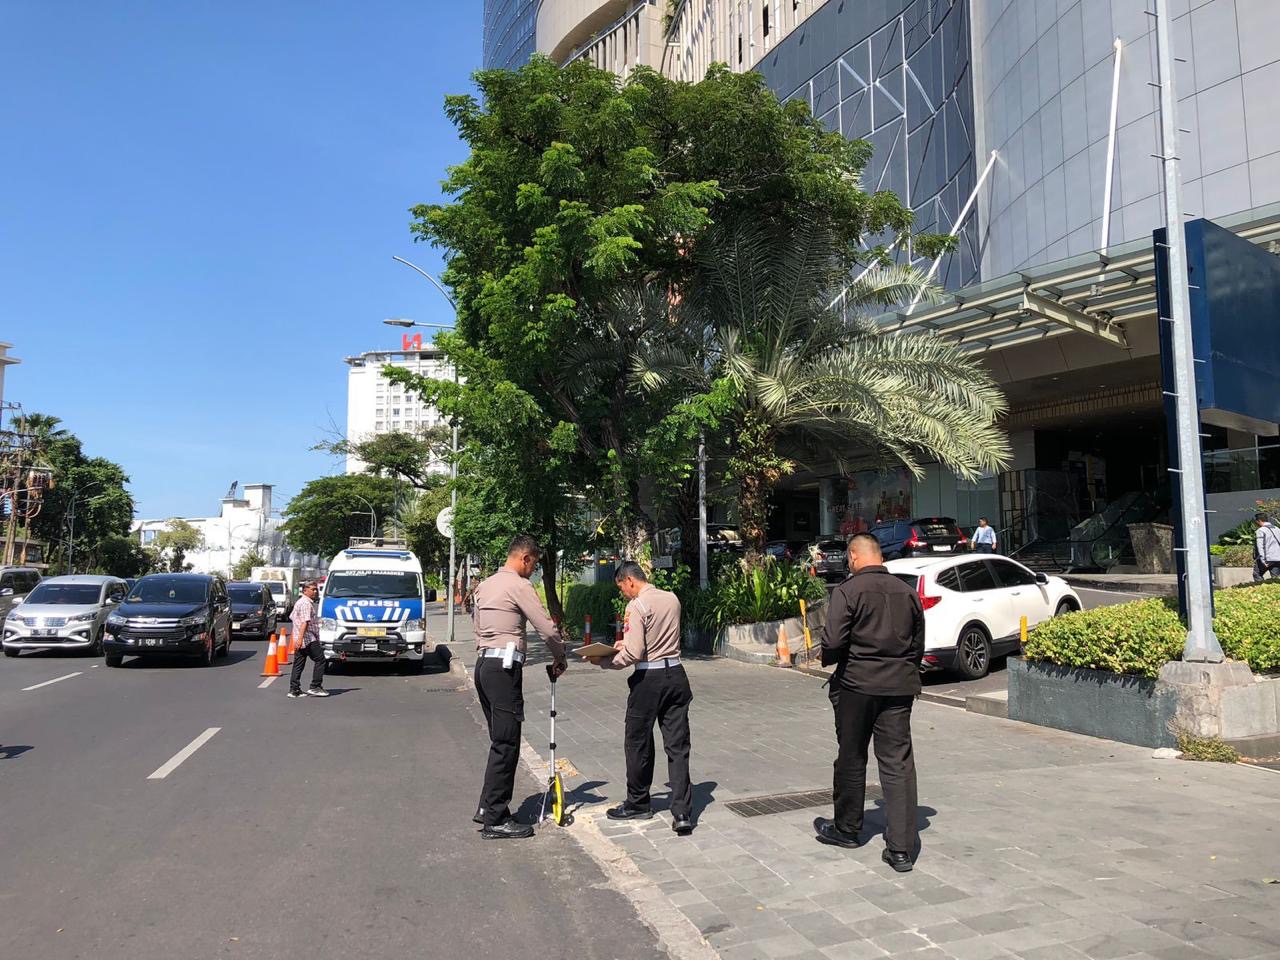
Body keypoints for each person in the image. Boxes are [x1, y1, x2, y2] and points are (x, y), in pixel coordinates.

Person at [814, 533, 924, 873]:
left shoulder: (848, 591)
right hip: (899, 686)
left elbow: (833, 641)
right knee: (897, 762)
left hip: (857, 685)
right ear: (880, 557)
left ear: (853, 556)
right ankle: (901, 849)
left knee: (852, 755)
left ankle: (847, 829)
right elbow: (918, 643)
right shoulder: (907, 592)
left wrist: (831, 657)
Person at [471, 534, 567, 839]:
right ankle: (496, 819)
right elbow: (545, 627)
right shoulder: (519, 585)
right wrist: (560, 656)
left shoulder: (485, 585)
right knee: (507, 742)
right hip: (504, 669)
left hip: (484, 666)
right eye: (534, 564)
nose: (533, 570)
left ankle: (487, 806)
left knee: (500, 740)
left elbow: (477, 628)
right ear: (525, 558)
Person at [590, 561, 694, 835]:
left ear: (630, 580)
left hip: (649, 679)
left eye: (621, 587)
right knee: (677, 746)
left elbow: (635, 652)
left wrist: (604, 660)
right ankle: (682, 812)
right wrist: (626, 645)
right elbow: (654, 638)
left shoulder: (636, 606)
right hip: (676, 674)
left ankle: (638, 803)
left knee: (637, 741)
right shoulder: (672, 598)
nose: (623, 592)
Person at [287, 581, 328, 698]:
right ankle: (315, 686)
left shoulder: (300, 602)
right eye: (313, 589)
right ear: (305, 591)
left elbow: (293, 617)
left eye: (316, 589)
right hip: (307, 638)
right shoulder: (306, 603)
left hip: (300, 637)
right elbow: (305, 622)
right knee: (320, 659)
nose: (315, 591)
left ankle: (294, 689)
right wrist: (300, 639)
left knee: (298, 663)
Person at [1254, 513, 1280, 582]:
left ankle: (1261, 587)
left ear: (1259, 520)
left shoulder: (1261, 530)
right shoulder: (1277, 529)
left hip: (1267, 559)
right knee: (1275, 578)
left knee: (1257, 574)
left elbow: (1260, 546)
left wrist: (1263, 560)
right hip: (1277, 558)